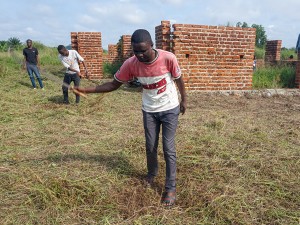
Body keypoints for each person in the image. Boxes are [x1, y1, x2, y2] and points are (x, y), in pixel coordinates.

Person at [75, 29, 187, 206]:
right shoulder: (131, 64)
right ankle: (152, 173)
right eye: (136, 51)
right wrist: (86, 90)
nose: (140, 55)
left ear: (151, 45)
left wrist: (184, 101)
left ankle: (170, 187)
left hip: (169, 108)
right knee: (150, 146)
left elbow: (179, 79)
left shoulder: (168, 58)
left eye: (143, 50)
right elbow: (113, 84)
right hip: (149, 110)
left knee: (168, 147)